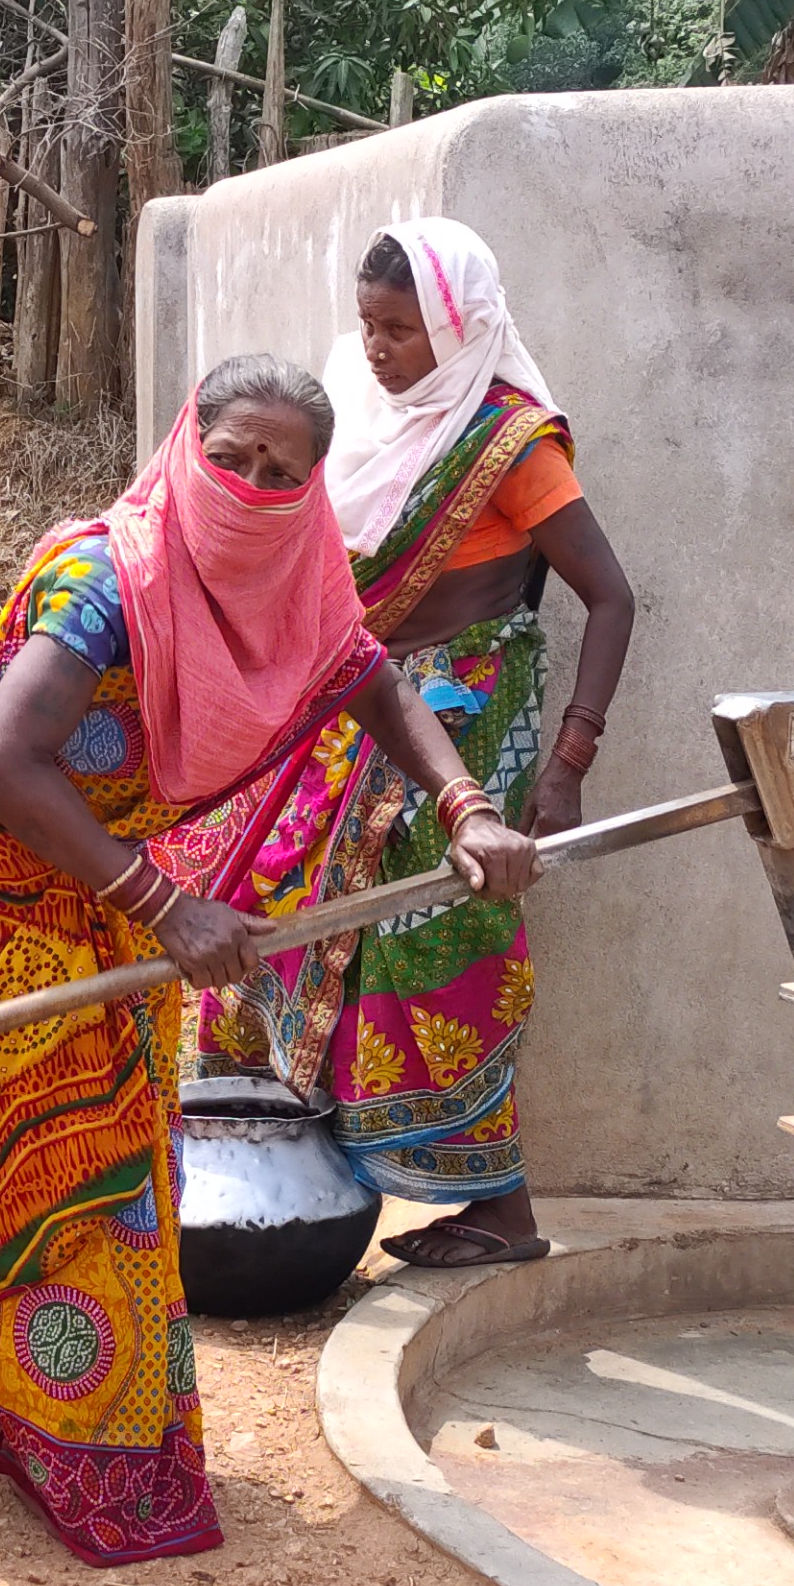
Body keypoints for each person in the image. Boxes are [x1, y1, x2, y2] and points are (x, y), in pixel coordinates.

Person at [0, 354, 540, 1567]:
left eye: (282, 471)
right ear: (190, 442)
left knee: (105, 1151)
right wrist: (163, 903)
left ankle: (91, 1445)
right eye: (231, 453)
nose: (250, 483)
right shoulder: (103, 575)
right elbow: (6, 763)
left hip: (96, 865)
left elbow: (373, 683)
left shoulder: (298, 580)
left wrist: (465, 806)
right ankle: (27, 1427)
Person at [186, 219, 634, 1271]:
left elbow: (609, 597)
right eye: (370, 325)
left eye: (402, 329)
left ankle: (500, 1209)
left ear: (462, 326)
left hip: (471, 713)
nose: (380, 348)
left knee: (434, 938)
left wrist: (569, 763)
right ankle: (270, 1162)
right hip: (352, 703)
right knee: (272, 901)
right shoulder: (364, 417)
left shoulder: (513, 444)